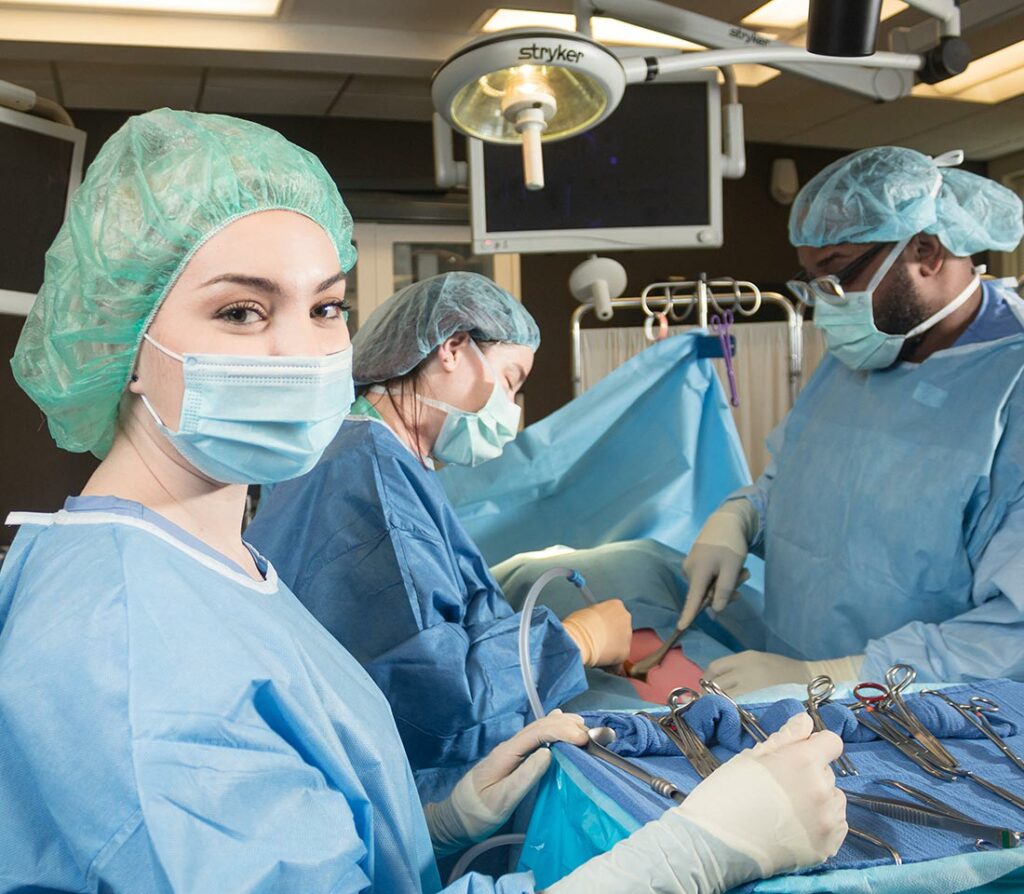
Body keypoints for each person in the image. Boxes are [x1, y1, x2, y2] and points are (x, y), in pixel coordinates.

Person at [0, 108, 847, 893]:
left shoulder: (204, 562)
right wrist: (686, 857)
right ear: (121, 335)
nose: (302, 350)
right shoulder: (129, 658)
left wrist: (436, 818)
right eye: (241, 311)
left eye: (327, 306)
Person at [246, 273, 634, 796]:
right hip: (416, 788)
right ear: (453, 347)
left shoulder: (373, 457)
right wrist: (573, 642)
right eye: (512, 379)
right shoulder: (367, 470)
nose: (512, 406)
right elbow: (437, 692)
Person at [679, 146, 1024, 696]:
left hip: (928, 719)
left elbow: (1013, 633)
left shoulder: (1010, 392)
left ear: (927, 252)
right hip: (796, 684)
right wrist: (744, 515)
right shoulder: (865, 353)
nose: (825, 305)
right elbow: (806, 481)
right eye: (812, 280)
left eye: (836, 275)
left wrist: (844, 676)